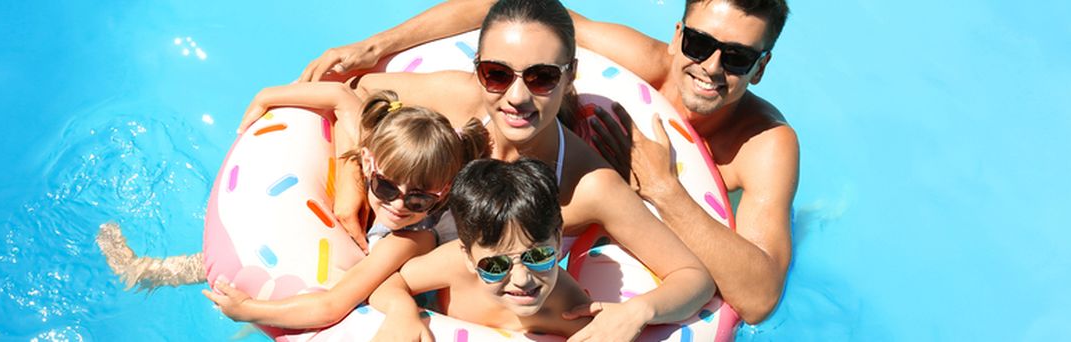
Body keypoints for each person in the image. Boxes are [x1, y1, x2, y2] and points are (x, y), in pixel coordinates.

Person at [294, 0, 798, 324]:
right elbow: (353, 96)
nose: (710, 67)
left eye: (540, 78)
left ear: (567, 77)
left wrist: (662, 193)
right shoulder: (461, 100)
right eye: (699, 44)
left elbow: (721, 287)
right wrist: (352, 187)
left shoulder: (589, 182)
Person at [104, 85, 491, 328]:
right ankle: (148, 271)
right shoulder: (371, 156)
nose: (398, 204)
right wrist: (265, 97)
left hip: (397, 281)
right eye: (385, 187)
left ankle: (149, 272)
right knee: (228, 258)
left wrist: (250, 312)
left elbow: (331, 306)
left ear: (442, 193)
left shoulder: (412, 238)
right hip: (338, 227)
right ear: (370, 163)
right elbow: (342, 98)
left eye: (419, 197)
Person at [367, 158, 593, 339]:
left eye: (538, 256)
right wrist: (401, 311)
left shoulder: (570, 309)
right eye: (495, 265)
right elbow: (388, 284)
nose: (522, 279)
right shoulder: (455, 265)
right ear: (468, 257)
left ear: (558, 241)